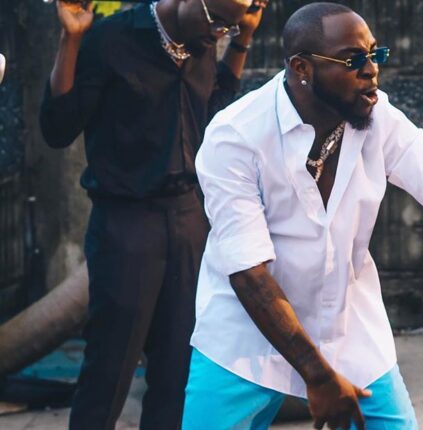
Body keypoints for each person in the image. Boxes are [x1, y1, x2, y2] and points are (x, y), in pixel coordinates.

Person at [182, 2, 423, 429]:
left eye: (375, 54)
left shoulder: (378, 117)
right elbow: (248, 273)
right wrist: (317, 375)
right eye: (353, 60)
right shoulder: (235, 136)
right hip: (246, 340)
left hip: (350, 333)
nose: (371, 70)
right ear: (302, 68)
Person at [38, 0, 267, 428]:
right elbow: (57, 128)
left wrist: (243, 38)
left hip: (189, 219)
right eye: (217, 21)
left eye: (227, 28)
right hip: (127, 224)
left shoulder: (202, 40)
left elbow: (209, 114)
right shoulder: (110, 39)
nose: (218, 33)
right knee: (109, 368)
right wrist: (71, 40)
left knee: (179, 369)